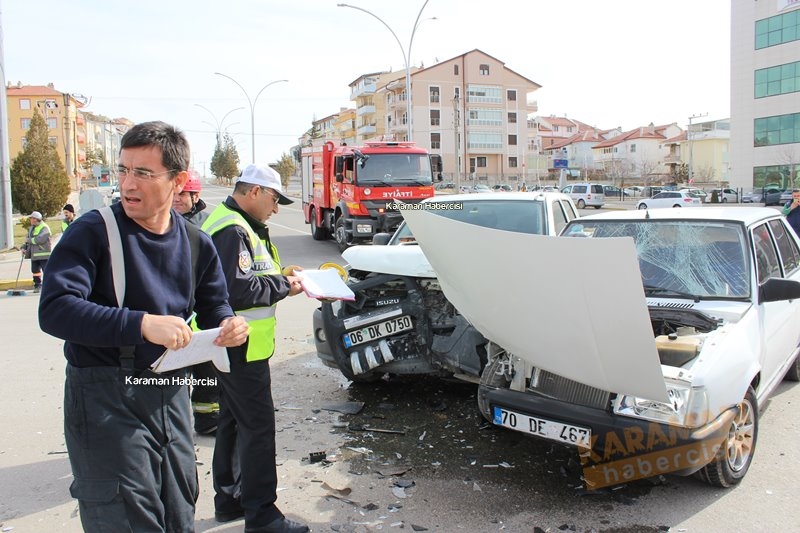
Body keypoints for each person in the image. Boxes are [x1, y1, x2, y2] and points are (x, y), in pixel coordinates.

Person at [38, 121, 250, 532]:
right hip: (104, 397)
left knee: (177, 506)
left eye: (143, 173)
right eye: (123, 170)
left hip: (169, 392)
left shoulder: (194, 243)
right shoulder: (93, 232)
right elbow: (56, 310)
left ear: (179, 181)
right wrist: (141, 325)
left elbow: (214, 305)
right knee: (125, 513)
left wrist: (229, 326)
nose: (127, 183)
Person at [201, 164, 309, 533]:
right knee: (259, 428)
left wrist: (282, 274)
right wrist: (286, 286)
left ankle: (229, 500)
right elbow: (239, 291)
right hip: (239, 345)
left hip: (237, 345)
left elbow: (250, 277)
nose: (276, 208)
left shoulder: (236, 224)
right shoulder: (233, 229)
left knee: (233, 422)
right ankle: (262, 515)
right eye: (274, 199)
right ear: (253, 192)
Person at [172, 169, 219, 435]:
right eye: (175, 195)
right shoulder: (160, 223)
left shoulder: (206, 223)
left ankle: (207, 420)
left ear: (195, 195)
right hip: (172, 315)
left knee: (206, 376)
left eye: (183, 195)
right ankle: (174, 426)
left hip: (199, 314)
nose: (177, 200)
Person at [22, 211, 51, 293]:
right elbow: (27, 239)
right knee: (35, 271)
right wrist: (24, 247)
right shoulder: (32, 228)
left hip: (43, 254)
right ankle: (37, 285)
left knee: (46, 270)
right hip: (34, 254)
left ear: (36, 219)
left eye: (32, 218)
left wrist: (29, 240)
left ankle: (49, 286)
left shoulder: (44, 227)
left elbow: (40, 239)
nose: (30, 220)